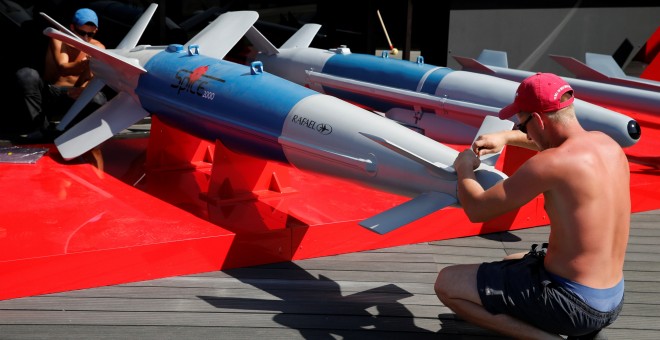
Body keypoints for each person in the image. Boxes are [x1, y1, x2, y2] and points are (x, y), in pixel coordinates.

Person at [434, 72, 630, 339]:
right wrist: (505, 137)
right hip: (612, 299)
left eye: (522, 126)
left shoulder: (550, 163)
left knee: (447, 283)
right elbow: (556, 143)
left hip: (574, 304)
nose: (523, 131)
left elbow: (477, 209)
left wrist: (464, 168)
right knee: (510, 260)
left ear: (537, 119)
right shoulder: (608, 145)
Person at [14, 8, 107, 140]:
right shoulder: (59, 38)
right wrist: (85, 64)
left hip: (77, 96)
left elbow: (91, 78)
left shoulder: (98, 47)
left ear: (95, 32)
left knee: (98, 98)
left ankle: (81, 134)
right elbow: (63, 67)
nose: (85, 38)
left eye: (90, 34)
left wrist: (82, 89)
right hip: (53, 93)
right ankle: (38, 128)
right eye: (81, 33)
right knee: (26, 75)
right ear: (72, 28)